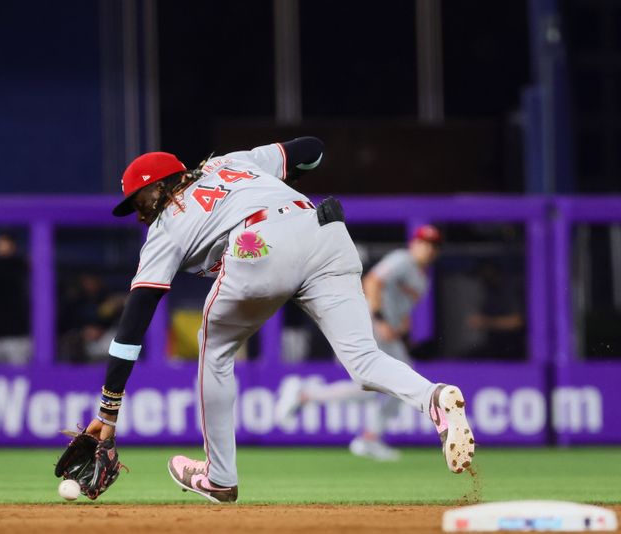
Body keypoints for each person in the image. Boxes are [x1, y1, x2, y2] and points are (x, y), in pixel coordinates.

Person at [81, 138, 474, 503]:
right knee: (363, 359)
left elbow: (133, 325)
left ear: (166, 184)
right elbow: (312, 149)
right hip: (325, 233)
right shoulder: (230, 162)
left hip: (258, 244)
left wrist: (107, 411)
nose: (140, 209)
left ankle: (219, 476)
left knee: (213, 350)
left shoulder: (166, 227)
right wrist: (281, 177)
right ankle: (434, 398)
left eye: (141, 197)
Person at [275, 225, 443, 461]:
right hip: (370, 323)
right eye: (424, 243)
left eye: (433, 245)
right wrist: (381, 318)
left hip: (385, 330)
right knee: (400, 380)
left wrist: (402, 326)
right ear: (414, 244)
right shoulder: (402, 259)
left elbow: (403, 306)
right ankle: (365, 435)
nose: (428, 249)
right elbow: (373, 282)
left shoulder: (423, 277)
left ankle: (309, 397)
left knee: (373, 388)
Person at [0, 232, 31, 365]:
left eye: (4, 243)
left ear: (13, 246)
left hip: (18, 334)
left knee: (19, 374)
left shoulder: (20, 266)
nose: (1, 246)